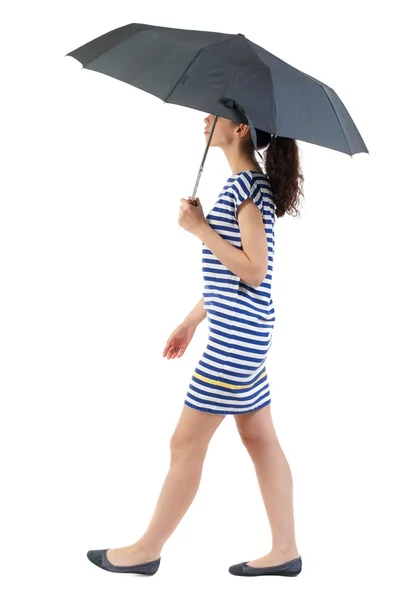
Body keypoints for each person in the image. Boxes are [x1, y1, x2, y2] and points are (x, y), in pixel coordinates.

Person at [87, 112, 305, 577]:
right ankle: (285, 549)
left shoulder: (245, 187)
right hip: (248, 336)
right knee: (259, 438)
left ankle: (146, 551)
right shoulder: (250, 184)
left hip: (234, 345)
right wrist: (191, 320)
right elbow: (234, 279)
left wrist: (199, 229)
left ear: (241, 128)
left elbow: (252, 270)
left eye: (217, 112)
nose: (206, 118)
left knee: (184, 445)